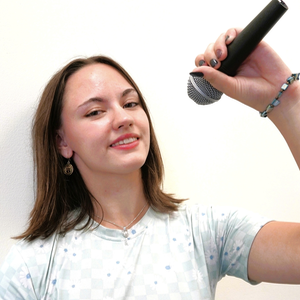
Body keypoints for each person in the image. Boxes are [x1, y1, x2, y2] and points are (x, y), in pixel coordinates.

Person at [0, 27, 299, 300]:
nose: (124, 118)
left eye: (131, 103)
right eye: (94, 112)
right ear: (62, 142)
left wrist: (287, 100)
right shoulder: (31, 265)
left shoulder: (206, 232)